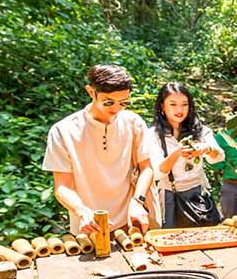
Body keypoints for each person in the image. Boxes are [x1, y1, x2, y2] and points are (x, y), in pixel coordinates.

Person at [43, 64, 154, 234]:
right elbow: (61, 187)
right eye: (109, 102)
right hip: (88, 226)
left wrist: (137, 201)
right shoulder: (63, 131)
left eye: (123, 103)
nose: (116, 109)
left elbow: (146, 168)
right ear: (90, 92)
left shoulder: (134, 123)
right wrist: (81, 211)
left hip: (131, 222)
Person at [147, 83, 224, 228]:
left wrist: (206, 148)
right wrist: (177, 153)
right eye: (173, 104)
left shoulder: (200, 131)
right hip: (170, 196)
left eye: (184, 104)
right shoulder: (153, 135)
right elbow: (158, 172)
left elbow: (219, 157)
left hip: (198, 195)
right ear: (162, 107)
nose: (179, 109)